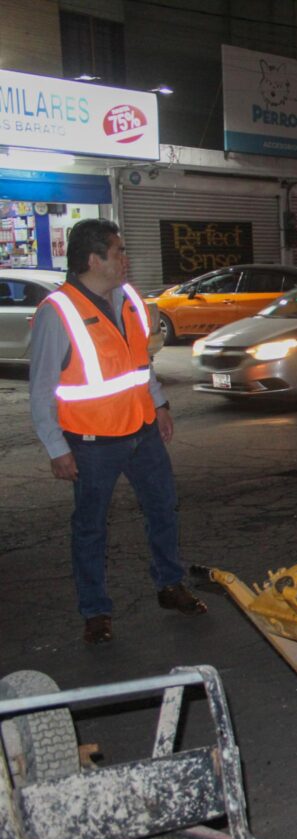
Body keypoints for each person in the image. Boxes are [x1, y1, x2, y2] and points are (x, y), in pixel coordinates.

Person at [28, 218, 206, 645]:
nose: (125, 259)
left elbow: (140, 364)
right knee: (90, 527)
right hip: (92, 444)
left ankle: (170, 584)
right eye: (118, 251)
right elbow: (41, 389)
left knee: (163, 509)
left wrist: (159, 403)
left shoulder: (128, 298)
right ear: (94, 260)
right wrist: (56, 447)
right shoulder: (59, 312)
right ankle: (96, 612)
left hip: (142, 431)